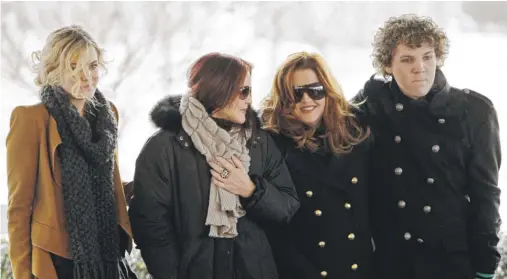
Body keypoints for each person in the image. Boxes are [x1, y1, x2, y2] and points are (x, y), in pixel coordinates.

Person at [353, 14, 502, 279]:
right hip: (391, 260)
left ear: (439, 58)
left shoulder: (475, 111)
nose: (419, 67)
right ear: (387, 65)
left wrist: (485, 266)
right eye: (407, 59)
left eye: (427, 56)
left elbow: (486, 194)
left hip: (452, 260)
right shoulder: (371, 108)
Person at [128, 52, 300, 279]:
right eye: (243, 91)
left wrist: (250, 190)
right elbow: (150, 226)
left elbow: (287, 207)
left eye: (250, 90)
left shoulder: (259, 142)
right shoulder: (164, 147)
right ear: (220, 90)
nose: (249, 100)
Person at [6, 25, 135, 279]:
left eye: (92, 65)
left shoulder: (108, 115)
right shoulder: (31, 119)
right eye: (73, 66)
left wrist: (140, 186)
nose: (85, 76)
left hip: (109, 256)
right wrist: (22, 274)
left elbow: (100, 179)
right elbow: (19, 207)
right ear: (54, 70)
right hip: (60, 261)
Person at [261, 51, 374, 279]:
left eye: (315, 91)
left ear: (327, 91)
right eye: (295, 93)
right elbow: (274, 228)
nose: (306, 100)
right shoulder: (270, 145)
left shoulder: (354, 133)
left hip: (359, 269)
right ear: (283, 98)